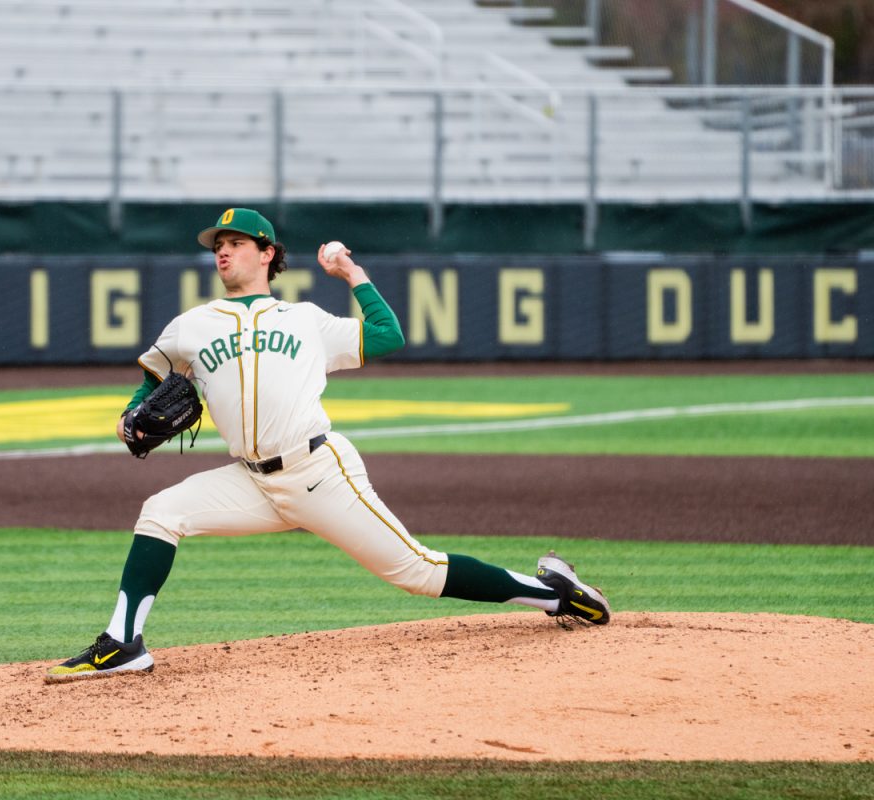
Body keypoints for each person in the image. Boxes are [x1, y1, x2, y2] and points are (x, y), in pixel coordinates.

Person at [44, 208, 610, 681]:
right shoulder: (190, 325)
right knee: (162, 511)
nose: (223, 253)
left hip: (318, 472)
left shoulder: (305, 319)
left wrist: (351, 273)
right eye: (218, 245)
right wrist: (128, 418)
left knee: (417, 571)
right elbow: (151, 382)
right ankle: (123, 643)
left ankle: (556, 594)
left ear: (267, 254)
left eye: (236, 243)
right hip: (250, 480)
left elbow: (388, 336)